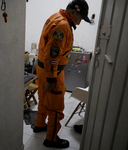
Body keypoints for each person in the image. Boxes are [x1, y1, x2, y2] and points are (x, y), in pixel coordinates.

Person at [33, 0, 91, 148]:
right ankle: (51, 139)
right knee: (56, 107)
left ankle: (39, 124)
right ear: (73, 12)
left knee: (43, 98)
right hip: (52, 72)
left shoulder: (55, 17)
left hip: (42, 69)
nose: (80, 22)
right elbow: (52, 56)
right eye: (80, 17)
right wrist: (52, 79)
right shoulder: (62, 25)